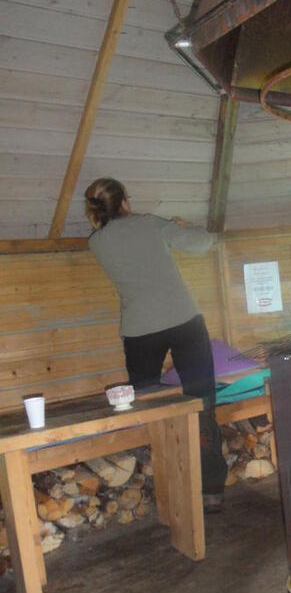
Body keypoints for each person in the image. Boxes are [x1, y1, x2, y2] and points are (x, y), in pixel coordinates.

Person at [84, 177, 226, 510]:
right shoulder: (149, 224)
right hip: (184, 321)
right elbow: (203, 243)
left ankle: (169, 490)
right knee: (202, 402)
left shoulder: (96, 243)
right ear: (124, 202)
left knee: (149, 408)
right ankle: (211, 491)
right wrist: (187, 226)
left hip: (140, 331)